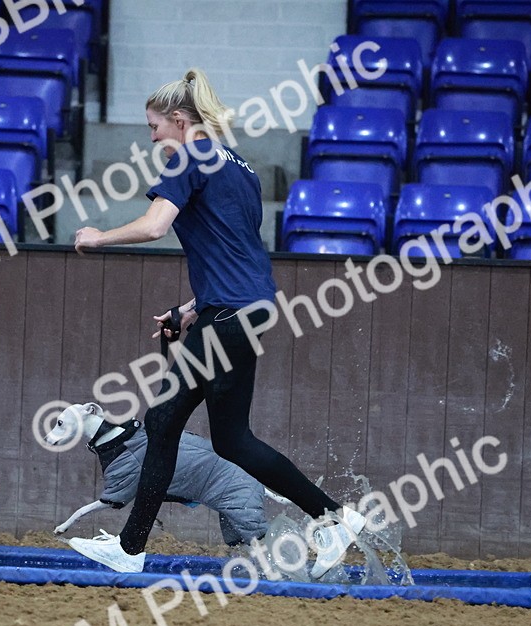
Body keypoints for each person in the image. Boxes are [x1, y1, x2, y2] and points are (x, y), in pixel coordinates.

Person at [67, 68, 365, 578]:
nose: (153, 138)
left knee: (162, 422)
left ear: (180, 120)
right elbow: (235, 251)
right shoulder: (241, 167)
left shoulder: (189, 156)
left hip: (229, 313)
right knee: (229, 439)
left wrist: (97, 238)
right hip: (245, 307)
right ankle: (335, 520)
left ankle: (131, 550)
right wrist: (189, 309)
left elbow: (156, 225)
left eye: (154, 127)